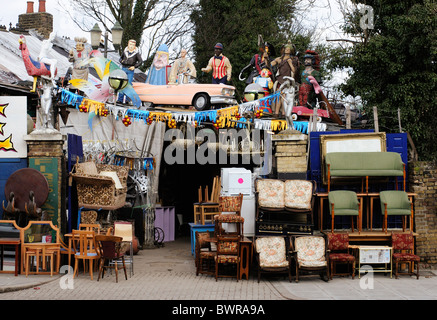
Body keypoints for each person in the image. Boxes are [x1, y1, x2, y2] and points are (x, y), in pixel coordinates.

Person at [266, 41, 300, 117]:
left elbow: (294, 70)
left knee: (284, 97)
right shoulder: (279, 59)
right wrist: (266, 58)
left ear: (291, 50)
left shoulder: (292, 60)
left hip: (287, 81)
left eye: (288, 49)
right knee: (278, 96)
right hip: (279, 80)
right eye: (286, 49)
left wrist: (290, 63)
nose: (287, 50)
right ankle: (276, 113)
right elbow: (269, 65)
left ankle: (284, 113)